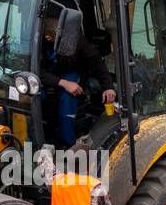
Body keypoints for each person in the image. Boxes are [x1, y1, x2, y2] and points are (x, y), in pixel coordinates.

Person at [39, 13, 117, 146]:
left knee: (70, 94)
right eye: (57, 36)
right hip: (47, 75)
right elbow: (36, 71)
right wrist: (62, 83)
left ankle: (69, 143)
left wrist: (108, 86)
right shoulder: (37, 43)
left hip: (69, 71)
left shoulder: (75, 39)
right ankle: (39, 138)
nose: (64, 39)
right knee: (36, 96)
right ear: (47, 36)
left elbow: (96, 61)